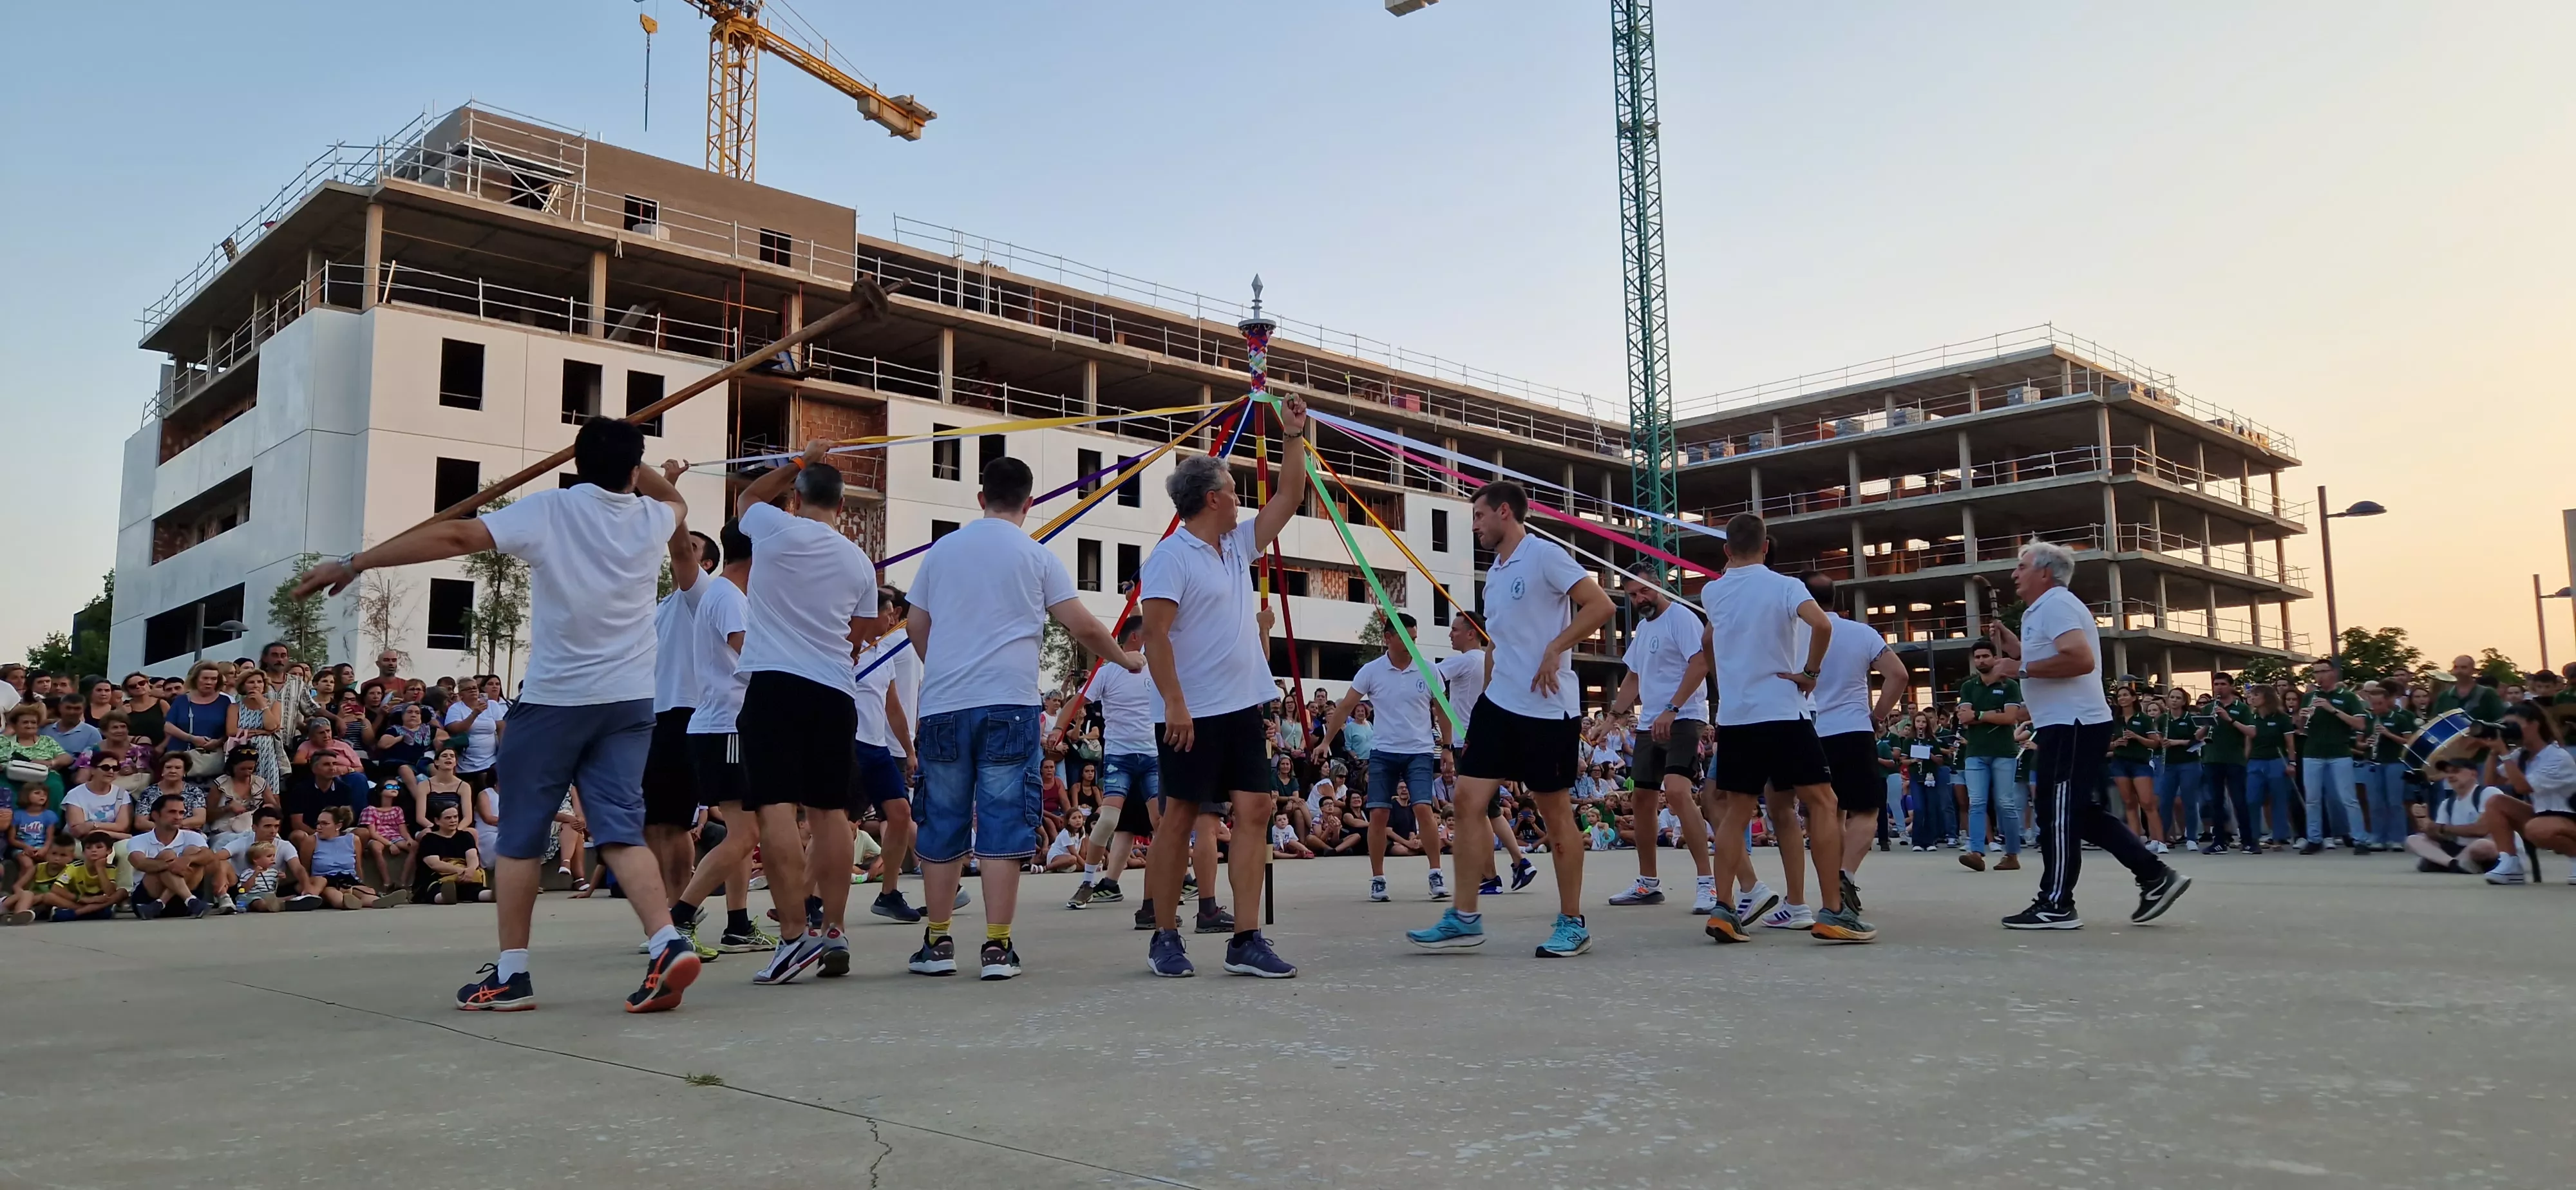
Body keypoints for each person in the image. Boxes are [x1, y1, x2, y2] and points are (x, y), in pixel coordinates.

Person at [294, 418, 699, 1013]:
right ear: (632, 472)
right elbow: (676, 499)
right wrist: (655, 479)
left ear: (578, 465)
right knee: (619, 827)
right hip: (631, 700)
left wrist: (356, 563)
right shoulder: (652, 517)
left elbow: (456, 539)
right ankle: (665, 941)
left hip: (558, 699)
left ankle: (512, 974)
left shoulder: (551, 511)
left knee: (518, 837)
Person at [909, 453, 1137, 981]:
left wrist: (944, 670)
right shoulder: (1036, 556)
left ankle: (938, 942)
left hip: (944, 703)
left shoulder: (942, 551)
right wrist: (1125, 660)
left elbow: (917, 624)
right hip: (1009, 704)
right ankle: (996, 948)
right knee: (1002, 819)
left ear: (981, 496)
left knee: (942, 819)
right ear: (1030, 503)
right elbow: (1082, 625)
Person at [1405, 480, 1615, 958]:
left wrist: (1556, 649)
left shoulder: (1544, 555)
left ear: (1504, 513)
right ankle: (1464, 916)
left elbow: (1600, 605)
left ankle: (1572, 921)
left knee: (1554, 812)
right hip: (1499, 704)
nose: (1475, 525)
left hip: (1547, 707)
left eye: (1478, 516)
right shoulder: (1496, 573)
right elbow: (1498, 640)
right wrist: (1490, 684)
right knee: (1465, 798)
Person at [1138, 405, 1311, 981]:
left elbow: (1289, 496)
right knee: (1180, 818)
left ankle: (1245, 938)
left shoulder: (1238, 545)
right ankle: (1165, 936)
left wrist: (1292, 436)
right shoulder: (1170, 556)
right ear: (1211, 498)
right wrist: (1174, 704)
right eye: (1233, 490)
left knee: (1256, 809)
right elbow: (1155, 635)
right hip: (1192, 712)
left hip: (1242, 705)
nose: (1240, 499)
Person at [723, 442, 878, 985]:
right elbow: (859, 637)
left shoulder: (774, 528)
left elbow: (747, 495)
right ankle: (834, 928)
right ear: (842, 505)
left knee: (774, 810)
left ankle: (794, 937)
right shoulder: (860, 562)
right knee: (830, 813)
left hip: (774, 683)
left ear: (798, 496)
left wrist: (795, 461)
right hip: (835, 691)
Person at [1680, 514, 1872, 943]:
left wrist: (1726, 674)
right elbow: (1821, 625)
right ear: (1766, 547)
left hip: (1737, 715)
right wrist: (1810, 672)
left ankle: (1726, 907)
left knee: (1737, 811)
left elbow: (1710, 642)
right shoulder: (1786, 587)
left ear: (1726, 550)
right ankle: (1832, 911)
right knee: (1823, 803)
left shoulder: (1712, 592)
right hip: (1783, 711)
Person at [1983, 540, 2188, 930]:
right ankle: (2154, 875)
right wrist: (2019, 650)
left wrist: (2020, 669)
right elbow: (2057, 656)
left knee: (2058, 814)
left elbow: (2079, 659)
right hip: (2068, 724)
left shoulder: (2056, 604)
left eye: (2021, 566)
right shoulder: (2045, 608)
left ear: (2045, 572)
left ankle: (2056, 904)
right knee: (2074, 810)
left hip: (2072, 724)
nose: (2014, 573)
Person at [669, 518, 771, 954]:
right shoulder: (728, 597)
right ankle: (680, 918)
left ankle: (737, 924)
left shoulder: (726, 594)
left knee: (744, 832)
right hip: (724, 727)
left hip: (724, 726)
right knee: (745, 836)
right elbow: (747, 650)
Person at [1790, 571, 1908, 922]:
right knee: (1866, 811)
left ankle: (1829, 886)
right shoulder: (1862, 633)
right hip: (1852, 729)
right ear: (1835, 598)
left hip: (1808, 730)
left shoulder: (1795, 635)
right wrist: (1877, 715)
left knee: (1826, 814)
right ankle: (1846, 875)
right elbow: (1899, 675)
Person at [1320, 612, 1451, 907]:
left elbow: (1443, 710)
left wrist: (1448, 747)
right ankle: (1378, 878)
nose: (1412, 645)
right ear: (1388, 638)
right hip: (1383, 752)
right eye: (1406, 639)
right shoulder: (1371, 671)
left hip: (1419, 750)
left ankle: (1436, 872)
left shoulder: (1429, 670)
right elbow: (1344, 707)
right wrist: (1326, 741)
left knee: (1423, 808)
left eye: (1415, 639)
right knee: (1378, 814)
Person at [1605, 574, 1718, 913]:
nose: (1640, 598)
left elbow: (1701, 663)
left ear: (1659, 588)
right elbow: (1633, 677)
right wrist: (1611, 718)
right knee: (1641, 798)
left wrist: (1673, 708)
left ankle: (1707, 883)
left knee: (1679, 792)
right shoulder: (1644, 630)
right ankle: (1648, 882)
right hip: (1650, 721)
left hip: (1683, 716)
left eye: (1645, 591)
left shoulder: (1681, 618)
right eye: (1633, 594)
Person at [643, 528, 719, 943]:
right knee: (654, 824)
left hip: (686, 715)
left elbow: (678, 551)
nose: (679, 553)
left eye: (691, 550)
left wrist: (670, 498)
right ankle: (664, 918)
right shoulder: (663, 606)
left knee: (674, 825)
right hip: (653, 717)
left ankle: (678, 918)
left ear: (705, 564)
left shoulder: (701, 597)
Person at [855, 585, 948, 923]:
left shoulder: (882, 655)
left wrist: (910, 753)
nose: (893, 617)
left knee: (899, 813)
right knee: (840, 824)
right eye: (887, 612)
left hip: (878, 748)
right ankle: (810, 898)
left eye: (895, 612)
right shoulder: (842, 651)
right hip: (849, 747)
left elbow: (893, 707)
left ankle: (889, 893)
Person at [1054, 619, 1161, 911]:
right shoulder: (1107, 672)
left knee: (1161, 823)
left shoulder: (1157, 669)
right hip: (1120, 757)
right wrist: (1058, 729)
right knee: (1109, 821)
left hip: (1152, 757)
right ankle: (1089, 881)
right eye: (1148, 634)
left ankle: (1169, 883)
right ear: (1137, 638)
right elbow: (1078, 700)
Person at [1433, 612, 1537, 897]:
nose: (1450, 635)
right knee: (1490, 810)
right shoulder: (1489, 662)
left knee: (1476, 812)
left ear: (1471, 633)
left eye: (1455, 630)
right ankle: (1519, 861)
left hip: (1467, 741)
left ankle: (1490, 876)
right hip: (1487, 741)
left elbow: (1431, 673)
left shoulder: (1466, 660)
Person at [2462, 701, 2576, 885]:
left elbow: (2523, 787)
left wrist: (2504, 753)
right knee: (2495, 801)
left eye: (2514, 726)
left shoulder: (2556, 757)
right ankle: (2510, 863)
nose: (2510, 731)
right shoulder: (2522, 755)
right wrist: (2493, 752)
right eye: (2506, 726)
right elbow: (2491, 783)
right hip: (2543, 816)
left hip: (2569, 818)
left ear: (2534, 725)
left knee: (2536, 828)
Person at [1957, 641, 2029, 871]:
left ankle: (2012, 855)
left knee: (2005, 803)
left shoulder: (2010, 687)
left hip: (2003, 752)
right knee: (1976, 802)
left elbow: (2010, 718)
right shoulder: (1969, 686)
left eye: (1985, 656)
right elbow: (1963, 718)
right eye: (1977, 657)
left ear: (1996, 658)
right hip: (1975, 751)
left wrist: (1978, 714)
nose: (1981, 661)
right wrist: (1992, 714)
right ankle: (1977, 851)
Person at [2294, 658, 2372, 854]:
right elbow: (2301, 728)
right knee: (2312, 798)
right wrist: (2302, 717)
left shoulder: (2348, 697)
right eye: (2316, 673)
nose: (2319, 676)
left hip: (2339, 753)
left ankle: (2360, 840)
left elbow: (2360, 725)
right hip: (2313, 753)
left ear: (2333, 673)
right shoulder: (2309, 697)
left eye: (2323, 671)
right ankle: (2314, 839)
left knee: (2348, 798)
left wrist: (2333, 709)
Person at [125, 792, 229, 918]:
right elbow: (140, 863)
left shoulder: (192, 836)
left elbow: (210, 857)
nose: (178, 817)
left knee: (193, 852)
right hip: (147, 900)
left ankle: (165, 903)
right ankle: (189, 900)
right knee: (167, 855)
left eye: (181, 813)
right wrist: (172, 864)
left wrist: (187, 859)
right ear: (155, 815)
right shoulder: (139, 840)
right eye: (172, 812)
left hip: (181, 904)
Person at [2405, 757, 2501, 874]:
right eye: (2448, 772)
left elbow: (2482, 830)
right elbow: (2439, 836)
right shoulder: (2447, 803)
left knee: (2483, 846)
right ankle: (2454, 864)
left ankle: (2441, 862)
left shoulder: (2489, 793)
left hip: (2486, 847)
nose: (2450, 776)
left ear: (2473, 774)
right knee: (2413, 839)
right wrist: (2424, 820)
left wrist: (2443, 828)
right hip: (2458, 848)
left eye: (2456, 771)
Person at [2360, 683, 2418, 851]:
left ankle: (2397, 839)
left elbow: (2409, 741)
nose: (2376, 707)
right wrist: (2366, 743)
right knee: (2376, 802)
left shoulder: (2399, 718)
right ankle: (2378, 837)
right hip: (2373, 762)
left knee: (2395, 803)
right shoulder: (2368, 719)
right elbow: (2359, 742)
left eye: (2379, 704)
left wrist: (2388, 734)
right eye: (2373, 704)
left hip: (2394, 763)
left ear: (2387, 702)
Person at [2107, 686, 2164, 851]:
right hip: (2120, 763)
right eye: (2120, 696)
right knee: (2129, 803)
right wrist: (2116, 744)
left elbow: (2155, 743)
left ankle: (2159, 840)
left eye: (2126, 695)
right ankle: (2135, 841)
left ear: (2133, 698)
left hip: (2140, 762)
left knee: (2147, 802)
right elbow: (2105, 745)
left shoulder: (2144, 718)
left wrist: (2137, 737)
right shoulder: (2115, 720)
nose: (2122, 698)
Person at [2151, 688, 2202, 851]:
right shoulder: (2163, 719)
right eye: (2171, 697)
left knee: (2189, 800)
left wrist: (2176, 742)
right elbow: (2158, 738)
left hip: (2189, 763)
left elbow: (2197, 741)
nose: (2174, 700)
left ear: (2183, 701)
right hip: (2168, 764)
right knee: (2165, 801)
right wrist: (2162, 741)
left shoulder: (2190, 718)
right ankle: (2162, 839)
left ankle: (2192, 838)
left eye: (2177, 698)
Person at [412, 803, 486, 905]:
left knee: (474, 889)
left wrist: (471, 870)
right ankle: (445, 897)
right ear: (437, 821)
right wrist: (460, 871)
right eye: (448, 818)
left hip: (463, 877)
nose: (453, 820)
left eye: (456, 817)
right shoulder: (429, 839)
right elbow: (435, 864)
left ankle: (492, 894)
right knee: (435, 890)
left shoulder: (465, 836)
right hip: (437, 878)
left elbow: (473, 856)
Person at [50, 834, 125, 921]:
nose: (94, 850)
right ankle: (94, 912)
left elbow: (110, 893)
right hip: (80, 901)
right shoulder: (75, 867)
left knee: (122, 892)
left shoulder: (110, 868)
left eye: (99, 847)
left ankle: (76, 914)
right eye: (89, 848)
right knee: (49, 896)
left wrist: (100, 868)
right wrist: (85, 900)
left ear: (109, 851)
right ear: (83, 852)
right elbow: (56, 888)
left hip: (100, 901)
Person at [2432, 656, 2509, 722]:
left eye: (2464, 667)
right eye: (2456, 667)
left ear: (2473, 671)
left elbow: (2501, 719)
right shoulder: (2444, 696)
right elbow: (2435, 721)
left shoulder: (2488, 693)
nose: (2459, 671)